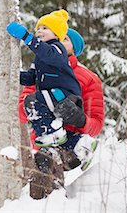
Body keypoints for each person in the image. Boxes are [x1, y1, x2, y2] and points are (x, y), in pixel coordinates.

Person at [7, 10, 96, 159]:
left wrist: (25, 36)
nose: (39, 31)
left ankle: (51, 134)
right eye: (38, 28)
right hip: (53, 96)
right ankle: (80, 144)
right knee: (47, 124)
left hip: (65, 94)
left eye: (45, 28)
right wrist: (13, 75)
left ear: (56, 34)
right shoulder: (40, 58)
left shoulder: (57, 49)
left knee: (32, 101)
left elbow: (45, 52)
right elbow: (31, 77)